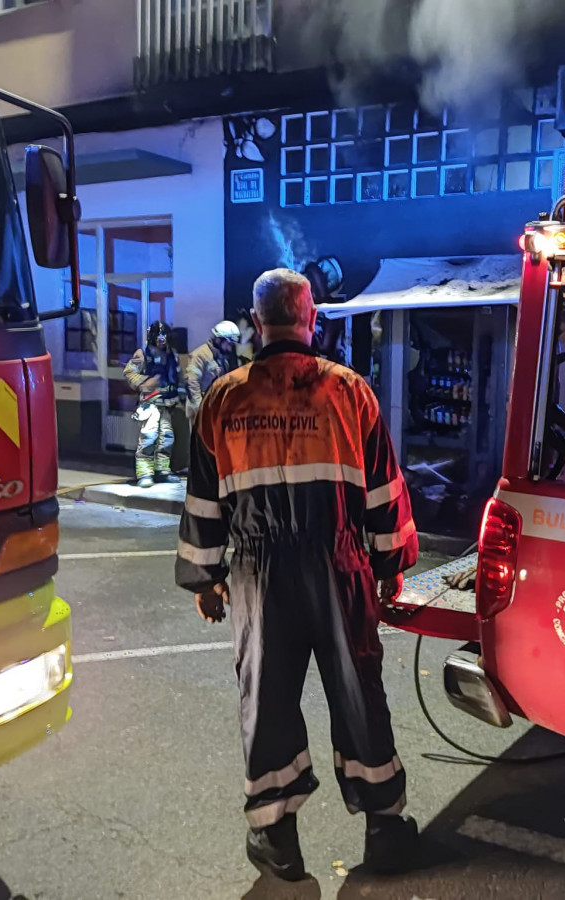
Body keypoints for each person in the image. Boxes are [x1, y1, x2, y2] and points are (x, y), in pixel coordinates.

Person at [175, 268, 419, 881]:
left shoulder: (222, 400)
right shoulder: (351, 392)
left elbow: (203, 502)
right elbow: (385, 490)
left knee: (268, 700)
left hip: (259, 573)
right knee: (359, 692)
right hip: (339, 564)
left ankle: (276, 839)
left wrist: (207, 579)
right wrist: (390, 566)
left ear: (257, 324)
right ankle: (386, 828)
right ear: (312, 319)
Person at [124, 320, 183, 488]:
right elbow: (129, 373)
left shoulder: (173, 354)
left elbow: (179, 378)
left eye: (164, 335)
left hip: (167, 403)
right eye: (158, 335)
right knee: (149, 438)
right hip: (150, 404)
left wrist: (183, 397)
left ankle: (162, 472)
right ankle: (145, 474)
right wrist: (145, 382)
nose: (162, 339)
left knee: (167, 438)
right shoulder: (143, 354)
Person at [184, 320, 241, 426]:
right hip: (200, 409)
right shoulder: (200, 355)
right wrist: (200, 410)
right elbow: (192, 382)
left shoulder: (222, 357)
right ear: (219, 340)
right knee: (200, 441)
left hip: (213, 408)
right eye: (229, 344)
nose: (230, 348)